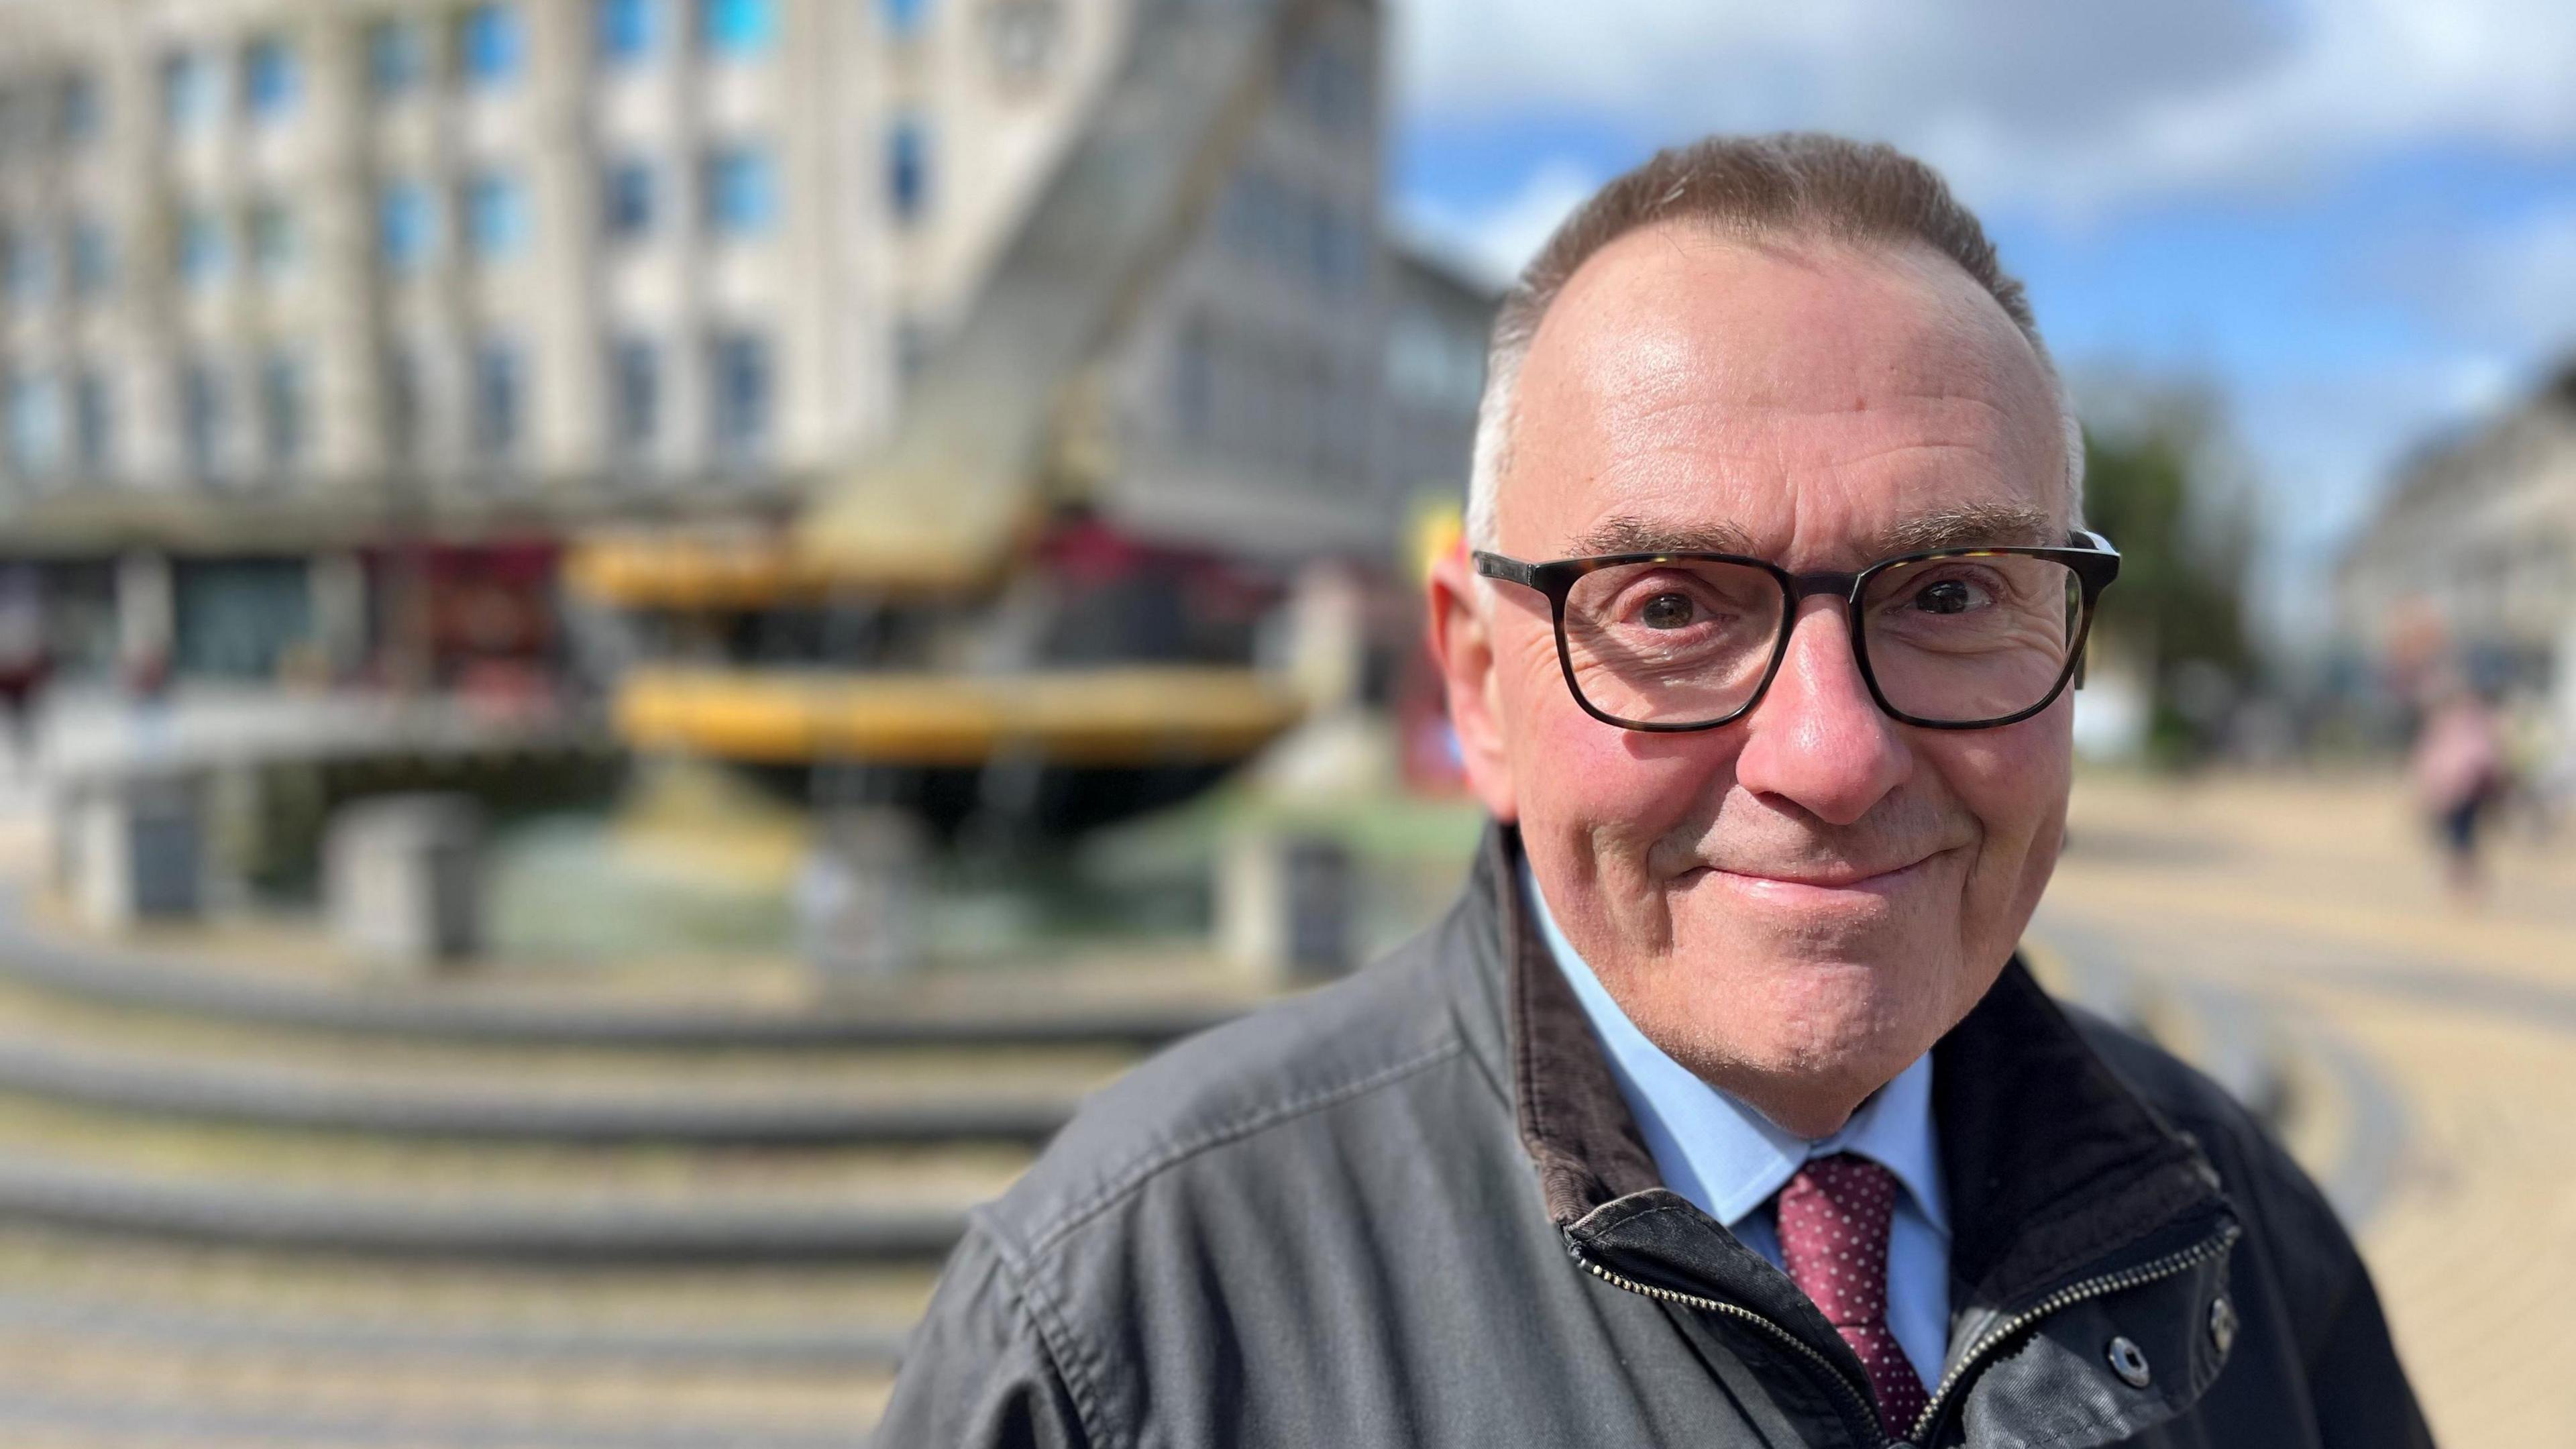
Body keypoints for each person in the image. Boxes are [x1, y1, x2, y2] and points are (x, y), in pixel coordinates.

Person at [879, 135, 2431, 1448]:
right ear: (1480, 684)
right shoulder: (1125, 1324)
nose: (1831, 757)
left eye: (1951, 595)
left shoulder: (2232, 1226)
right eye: (1672, 607)